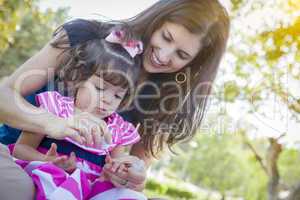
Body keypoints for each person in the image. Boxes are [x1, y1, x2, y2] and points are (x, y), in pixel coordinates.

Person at [0, 0, 230, 199]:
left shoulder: (164, 97)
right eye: (166, 37)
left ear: (194, 63)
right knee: (20, 190)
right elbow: (5, 96)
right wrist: (54, 122)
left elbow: (136, 169)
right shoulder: (85, 36)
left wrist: (130, 176)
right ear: (156, 20)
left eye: (182, 55)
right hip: (14, 158)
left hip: (83, 185)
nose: (164, 56)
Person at [9, 27, 146, 200]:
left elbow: (119, 166)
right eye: (99, 88)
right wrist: (46, 160)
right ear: (78, 79)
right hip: (51, 178)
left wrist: (121, 171)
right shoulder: (55, 109)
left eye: (118, 95)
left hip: (90, 190)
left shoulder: (116, 130)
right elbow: (20, 149)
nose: (108, 100)